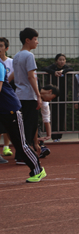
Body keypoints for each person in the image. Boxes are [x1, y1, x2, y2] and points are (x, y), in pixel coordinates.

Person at [0, 59, 46, 182]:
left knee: (20, 144)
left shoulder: (0, 66)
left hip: (10, 110)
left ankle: (38, 170)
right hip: (2, 110)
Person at [12, 28, 42, 164]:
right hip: (29, 96)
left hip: (19, 95)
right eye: (35, 39)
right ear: (27, 40)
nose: (37, 42)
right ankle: (25, 155)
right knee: (30, 125)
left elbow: (12, 76)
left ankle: (19, 155)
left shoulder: (17, 55)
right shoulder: (29, 56)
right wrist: (38, 95)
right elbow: (31, 77)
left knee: (21, 127)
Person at [41, 53, 73, 142]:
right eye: (60, 59)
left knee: (61, 115)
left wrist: (63, 71)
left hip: (63, 95)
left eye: (63, 60)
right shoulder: (52, 67)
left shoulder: (66, 68)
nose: (62, 61)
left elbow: (71, 69)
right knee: (53, 115)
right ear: (56, 61)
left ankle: (59, 136)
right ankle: (54, 135)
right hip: (52, 95)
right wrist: (53, 72)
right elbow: (44, 69)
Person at [0, 37, 14, 157]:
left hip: (7, 97)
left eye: (1, 46)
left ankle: (6, 147)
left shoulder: (11, 62)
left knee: (7, 125)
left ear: (6, 48)